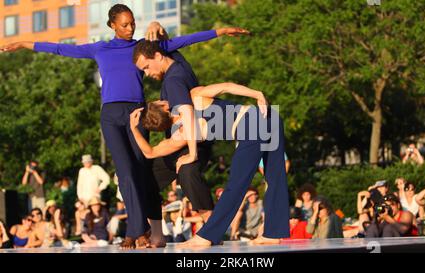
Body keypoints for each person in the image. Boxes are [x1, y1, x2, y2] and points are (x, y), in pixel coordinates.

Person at [1, 3, 249, 250]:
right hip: (110, 115)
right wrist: (24, 44)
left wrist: (220, 31)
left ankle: (145, 233)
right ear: (112, 25)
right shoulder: (100, 49)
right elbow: (60, 48)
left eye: (132, 23)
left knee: (142, 170)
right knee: (125, 173)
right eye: (124, 25)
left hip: (136, 114)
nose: (130, 28)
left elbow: (184, 41)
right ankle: (137, 231)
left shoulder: (141, 49)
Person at [128, 77, 290, 247]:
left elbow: (150, 151)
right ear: (164, 107)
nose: (163, 99)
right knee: (274, 178)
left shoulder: (181, 134)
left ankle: (207, 235)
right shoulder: (192, 99)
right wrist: (257, 94)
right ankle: (273, 233)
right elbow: (226, 86)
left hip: (253, 124)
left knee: (237, 184)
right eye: (160, 101)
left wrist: (133, 129)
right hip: (269, 117)